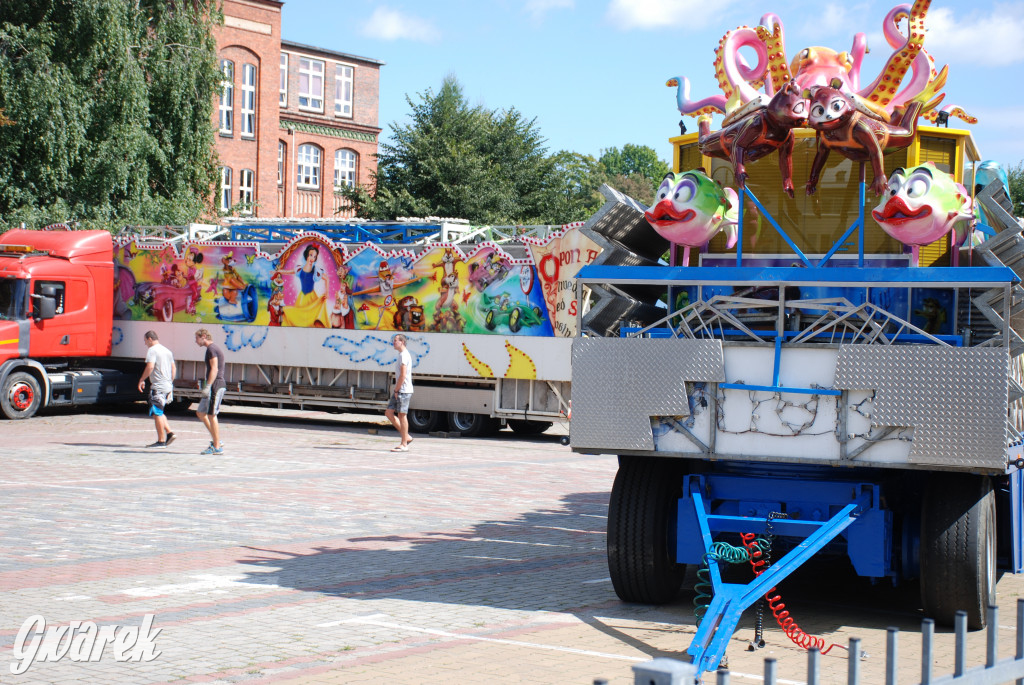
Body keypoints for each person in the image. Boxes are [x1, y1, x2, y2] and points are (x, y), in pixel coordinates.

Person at [138, 330, 176, 448]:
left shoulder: (152, 350)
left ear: (150, 339)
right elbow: (173, 368)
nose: (145, 344)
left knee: (157, 412)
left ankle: (161, 440)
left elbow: (150, 366)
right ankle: (169, 433)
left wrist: (141, 379)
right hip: (167, 385)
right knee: (159, 410)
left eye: (145, 341)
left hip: (158, 386)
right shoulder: (167, 351)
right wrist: (170, 381)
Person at [194, 329, 227, 455]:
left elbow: (214, 368)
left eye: (196, 338)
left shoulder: (211, 349)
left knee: (212, 415)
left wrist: (208, 386)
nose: (195, 341)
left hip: (216, 385)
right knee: (201, 413)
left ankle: (217, 446)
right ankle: (217, 439)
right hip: (214, 385)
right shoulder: (212, 349)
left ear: (203, 336)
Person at [385, 334, 413, 452]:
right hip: (400, 389)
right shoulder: (401, 355)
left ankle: (404, 444)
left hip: (403, 390)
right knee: (389, 413)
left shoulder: (404, 356)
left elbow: (403, 375)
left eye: (395, 340)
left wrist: (396, 389)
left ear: (402, 342)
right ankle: (406, 436)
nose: (393, 342)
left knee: (402, 415)